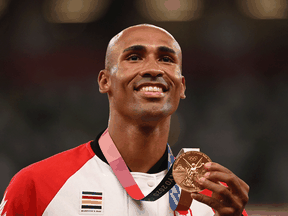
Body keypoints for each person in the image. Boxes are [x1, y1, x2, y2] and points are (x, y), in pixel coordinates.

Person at [0, 24, 249, 216]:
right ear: (104, 81)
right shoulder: (38, 184)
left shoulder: (214, 197)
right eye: (134, 57)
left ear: (181, 86)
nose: (154, 69)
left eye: (166, 59)